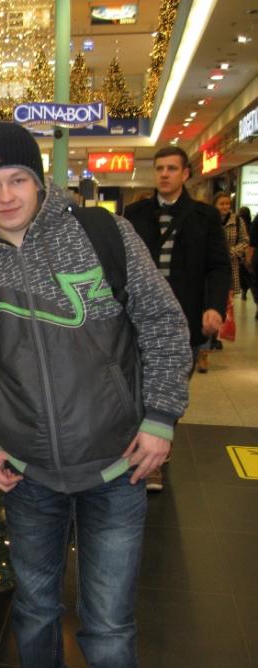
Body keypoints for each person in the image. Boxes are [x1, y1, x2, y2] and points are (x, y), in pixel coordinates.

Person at [0, 122, 191, 668]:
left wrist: (160, 417)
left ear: (39, 181)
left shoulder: (103, 234)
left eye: (17, 179)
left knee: (108, 622)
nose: (5, 196)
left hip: (116, 465)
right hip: (29, 474)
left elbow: (163, 322)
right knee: (35, 608)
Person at [123, 146, 229, 494]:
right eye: (160, 168)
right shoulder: (135, 214)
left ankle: (158, 452)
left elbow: (218, 266)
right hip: (139, 318)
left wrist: (214, 307)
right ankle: (144, 454)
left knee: (170, 386)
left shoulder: (204, 217)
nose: (164, 174)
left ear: (185, 174)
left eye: (171, 168)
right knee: (138, 385)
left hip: (185, 318)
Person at [212, 192, 249, 347]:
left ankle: (219, 335)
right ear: (215, 205)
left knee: (225, 303)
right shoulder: (209, 220)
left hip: (230, 268)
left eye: (227, 203)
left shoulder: (238, 221)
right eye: (221, 204)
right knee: (211, 301)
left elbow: (245, 240)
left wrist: (232, 252)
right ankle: (211, 335)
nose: (225, 206)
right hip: (211, 267)